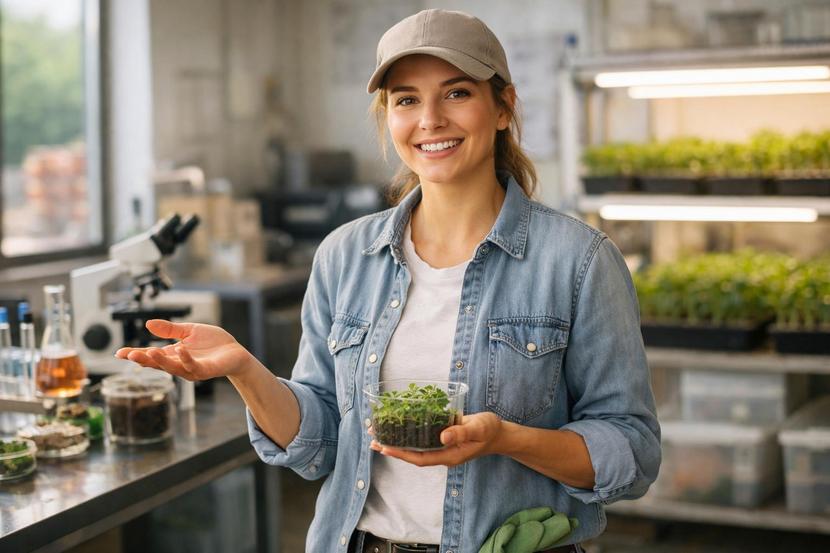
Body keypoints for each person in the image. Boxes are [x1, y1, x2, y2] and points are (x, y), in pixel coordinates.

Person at [116, 9, 660, 553]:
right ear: (388, 117)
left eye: (456, 94)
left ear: (503, 107)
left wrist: (506, 439)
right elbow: (321, 444)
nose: (430, 120)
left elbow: (631, 453)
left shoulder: (579, 260)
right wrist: (244, 368)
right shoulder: (345, 255)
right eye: (406, 99)